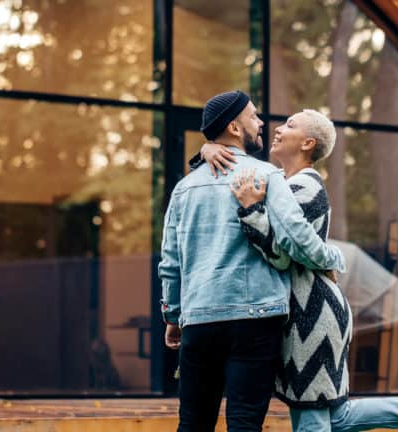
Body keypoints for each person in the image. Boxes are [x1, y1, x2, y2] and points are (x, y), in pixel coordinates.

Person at [199, 109, 398, 432]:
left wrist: (252, 210)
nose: (279, 129)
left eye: (290, 125)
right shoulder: (288, 184)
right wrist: (207, 148)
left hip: (311, 316)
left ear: (308, 143)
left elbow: (281, 255)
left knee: (312, 419)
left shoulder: (304, 187)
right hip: (308, 312)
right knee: (334, 417)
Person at [158, 90, 347, 432]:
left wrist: (173, 314)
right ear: (234, 127)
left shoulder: (183, 189)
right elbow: (297, 239)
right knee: (244, 423)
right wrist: (335, 256)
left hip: (199, 318)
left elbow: (170, 262)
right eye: (253, 116)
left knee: (192, 424)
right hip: (255, 320)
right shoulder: (266, 176)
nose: (261, 123)